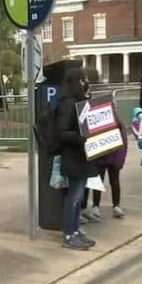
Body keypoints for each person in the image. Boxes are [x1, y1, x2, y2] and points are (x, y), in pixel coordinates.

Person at [56, 67, 98, 251]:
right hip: (73, 157)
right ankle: (69, 234)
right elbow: (62, 132)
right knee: (73, 198)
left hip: (82, 156)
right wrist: (81, 136)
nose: (84, 83)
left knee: (78, 197)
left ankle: (76, 231)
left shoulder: (80, 101)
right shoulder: (67, 103)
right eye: (82, 80)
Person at [80, 112, 128, 221]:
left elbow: (124, 142)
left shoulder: (118, 124)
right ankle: (96, 206)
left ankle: (116, 205)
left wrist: (119, 160)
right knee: (98, 182)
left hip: (113, 158)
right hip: (100, 158)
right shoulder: (97, 123)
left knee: (114, 182)